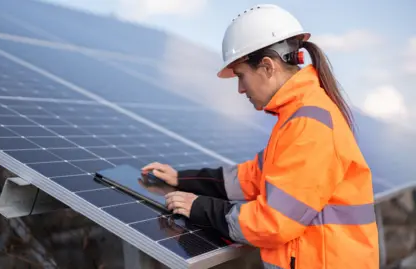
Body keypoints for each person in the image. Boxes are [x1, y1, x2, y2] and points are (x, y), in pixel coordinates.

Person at [141, 4, 379, 269]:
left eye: (241, 76)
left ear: (267, 66)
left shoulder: (309, 127)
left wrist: (200, 208)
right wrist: (182, 178)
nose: (240, 89)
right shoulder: (299, 115)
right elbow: (253, 177)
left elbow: (273, 222)